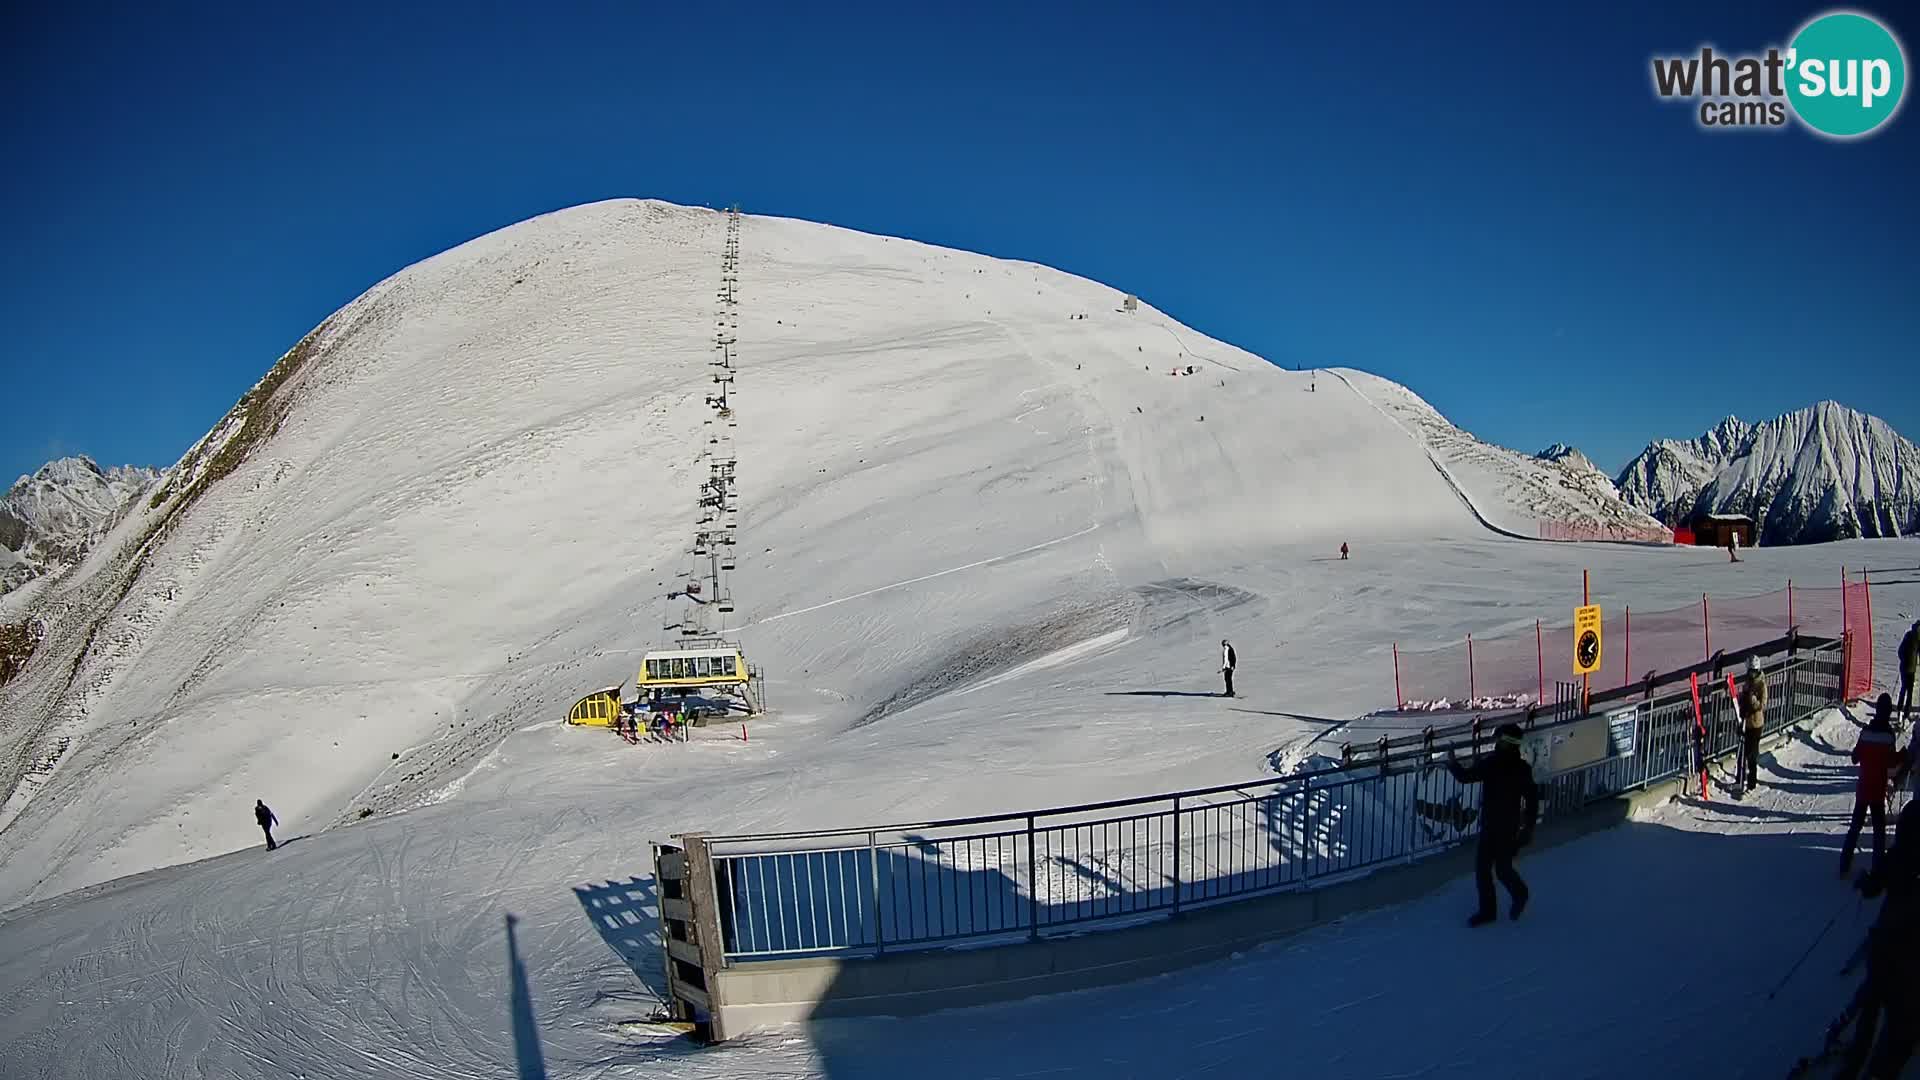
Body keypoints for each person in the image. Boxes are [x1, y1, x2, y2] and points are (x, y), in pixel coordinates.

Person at [1842, 796, 1920, 1078]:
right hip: (1909, 954)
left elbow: (1874, 885)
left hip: (1886, 940)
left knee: (1873, 1004)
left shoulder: (1898, 854)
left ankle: (1854, 1064)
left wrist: (1865, 881)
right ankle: (1878, 1070)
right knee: (1902, 1022)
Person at [1447, 723, 1540, 927]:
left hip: (1492, 825)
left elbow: (1465, 777)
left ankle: (1490, 911)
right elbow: (1532, 800)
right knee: (1503, 868)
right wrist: (1528, 828)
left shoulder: (1492, 764)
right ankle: (1518, 894)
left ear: (1504, 742)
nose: (1495, 742)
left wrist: (1452, 762)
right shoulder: (1521, 767)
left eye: (1498, 739)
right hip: (1510, 826)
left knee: (1484, 869)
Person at [1842, 695, 1899, 877]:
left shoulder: (1866, 732)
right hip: (1878, 788)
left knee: (1855, 827)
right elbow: (1891, 763)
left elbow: (1855, 757)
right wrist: (1904, 756)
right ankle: (1878, 866)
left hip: (1864, 787)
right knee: (1879, 830)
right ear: (1888, 711)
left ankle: (1844, 864)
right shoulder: (1889, 735)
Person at [1737, 661, 1769, 797]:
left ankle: (1751, 782)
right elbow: (1743, 700)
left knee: (1752, 754)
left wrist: (1753, 700)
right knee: (1743, 752)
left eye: (1752, 671)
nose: (1750, 674)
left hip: (1756, 724)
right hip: (1746, 722)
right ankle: (1740, 779)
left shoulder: (1761, 684)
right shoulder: (1747, 683)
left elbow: (1762, 704)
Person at [1899, 621, 1919, 721]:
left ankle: (1899, 710)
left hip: (1903, 666)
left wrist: (1903, 659)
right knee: (1909, 692)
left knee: (1903, 689)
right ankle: (1906, 714)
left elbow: (1900, 650)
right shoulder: (1918, 638)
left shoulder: (1908, 635)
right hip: (1910, 668)